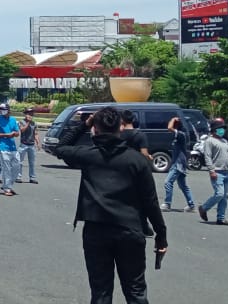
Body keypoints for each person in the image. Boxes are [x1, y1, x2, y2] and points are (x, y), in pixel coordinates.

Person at [52, 106, 167, 304]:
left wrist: (83, 124)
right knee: (135, 290)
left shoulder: (88, 155)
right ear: (120, 128)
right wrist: (161, 235)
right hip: (130, 229)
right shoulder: (137, 160)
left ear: (95, 129)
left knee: (101, 292)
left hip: (96, 230)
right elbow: (150, 201)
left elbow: (60, 148)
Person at [198, 118, 228, 226]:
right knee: (219, 194)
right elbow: (208, 156)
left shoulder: (224, 141)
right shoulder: (209, 141)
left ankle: (221, 218)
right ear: (214, 129)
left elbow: (227, 157)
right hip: (217, 171)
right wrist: (211, 170)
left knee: (225, 196)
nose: (222, 130)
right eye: (220, 128)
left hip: (227, 171)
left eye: (223, 128)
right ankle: (204, 208)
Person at [161, 115, 195, 212]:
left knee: (168, 182)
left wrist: (173, 119)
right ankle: (191, 205)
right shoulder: (179, 135)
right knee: (183, 185)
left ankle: (167, 204)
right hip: (177, 163)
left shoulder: (181, 134)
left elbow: (169, 128)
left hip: (179, 163)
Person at [0, 104, 21, 196]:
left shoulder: (13, 120)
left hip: (12, 146)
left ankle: (7, 185)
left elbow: (17, 133)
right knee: (6, 168)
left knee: (17, 165)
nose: (2, 111)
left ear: (8, 110)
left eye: (4, 109)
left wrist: (13, 134)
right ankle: (7, 188)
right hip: (2, 147)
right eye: (0, 109)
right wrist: (5, 135)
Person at [17, 109, 40, 184]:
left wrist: (38, 142)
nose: (30, 115)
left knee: (32, 162)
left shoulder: (34, 123)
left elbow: (35, 133)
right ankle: (18, 177)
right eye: (29, 114)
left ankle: (32, 177)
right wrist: (28, 122)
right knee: (19, 161)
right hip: (23, 144)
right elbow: (22, 130)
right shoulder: (21, 122)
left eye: (31, 114)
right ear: (25, 114)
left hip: (31, 144)